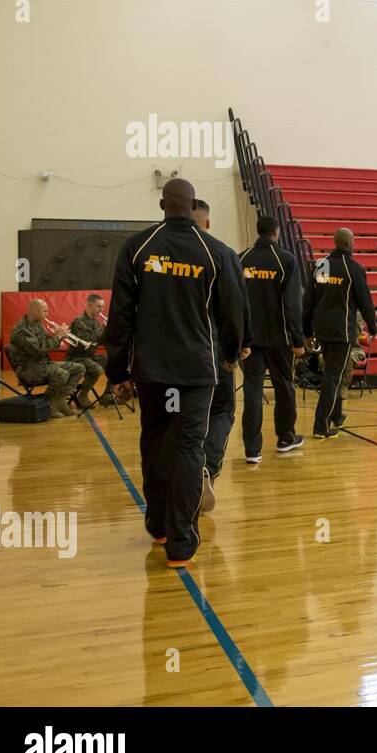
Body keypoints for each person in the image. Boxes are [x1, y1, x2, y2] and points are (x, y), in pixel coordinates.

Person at [105, 179, 245, 568]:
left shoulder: (137, 248)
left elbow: (120, 315)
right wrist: (231, 353)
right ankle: (181, 543)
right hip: (196, 371)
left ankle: (157, 522)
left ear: (163, 203)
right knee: (188, 448)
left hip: (152, 370)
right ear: (192, 206)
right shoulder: (217, 252)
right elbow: (233, 312)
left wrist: (116, 370)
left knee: (155, 440)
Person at [191, 198, 250, 506]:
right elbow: (236, 307)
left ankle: (180, 480)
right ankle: (208, 467)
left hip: (170, 359)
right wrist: (236, 350)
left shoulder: (153, 251)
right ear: (208, 222)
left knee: (178, 420)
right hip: (213, 354)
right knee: (222, 410)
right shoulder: (224, 253)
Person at [239, 215, 306, 461]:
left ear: (259, 231)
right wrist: (298, 340)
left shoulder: (241, 258)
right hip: (280, 339)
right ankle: (286, 438)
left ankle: (252, 449)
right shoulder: (286, 260)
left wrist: (238, 338)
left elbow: (235, 302)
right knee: (284, 387)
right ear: (276, 232)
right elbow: (292, 304)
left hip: (249, 340)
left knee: (252, 390)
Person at [304, 228, 377, 438]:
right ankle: (320, 425)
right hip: (342, 330)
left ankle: (336, 415)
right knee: (333, 376)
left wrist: (307, 331)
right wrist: (373, 327)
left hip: (322, 329)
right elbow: (365, 303)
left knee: (331, 372)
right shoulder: (354, 268)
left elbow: (308, 301)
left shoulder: (321, 264)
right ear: (349, 243)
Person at [8, 299, 84, 418]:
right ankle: (48, 404)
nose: (47, 314)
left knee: (79, 368)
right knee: (61, 373)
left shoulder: (37, 324)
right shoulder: (21, 330)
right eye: (45, 311)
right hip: (28, 369)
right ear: (34, 310)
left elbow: (44, 342)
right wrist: (57, 337)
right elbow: (39, 349)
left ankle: (60, 400)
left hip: (42, 364)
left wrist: (56, 335)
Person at [67, 293, 110, 406]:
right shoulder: (79, 322)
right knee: (97, 369)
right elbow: (87, 341)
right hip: (77, 356)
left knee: (114, 364)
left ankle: (107, 395)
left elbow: (102, 341)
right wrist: (105, 332)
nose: (101, 310)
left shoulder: (96, 323)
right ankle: (83, 394)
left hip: (90, 356)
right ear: (89, 305)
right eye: (98, 306)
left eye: (102, 306)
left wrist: (111, 331)